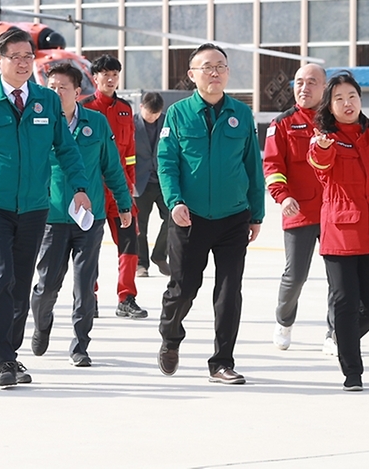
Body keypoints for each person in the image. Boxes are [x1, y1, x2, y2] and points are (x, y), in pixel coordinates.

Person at [0, 26, 90, 387]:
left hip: (34, 209)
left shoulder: (46, 101)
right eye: (17, 56)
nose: (25, 62)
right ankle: (1, 361)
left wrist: (79, 187)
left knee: (22, 283)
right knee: (1, 278)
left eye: (29, 56)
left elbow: (67, 150)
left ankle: (10, 354)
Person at [156, 43, 264, 385]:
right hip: (190, 216)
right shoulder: (177, 114)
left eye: (220, 66)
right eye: (207, 67)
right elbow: (167, 163)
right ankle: (171, 336)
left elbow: (253, 166)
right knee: (184, 287)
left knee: (229, 290)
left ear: (228, 72)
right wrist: (174, 202)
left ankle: (222, 362)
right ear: (192, 75)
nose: (214, 72)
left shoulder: (241, 114)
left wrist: (256, 213)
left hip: (233, 216)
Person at [308, 72, 369, 391]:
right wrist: (322, 147)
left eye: (351, 96)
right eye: (338, 98)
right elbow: (319, 166)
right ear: (330, 105)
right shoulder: (324, 138)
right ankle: (352, 371)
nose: (346, 103)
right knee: (346, 303)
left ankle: (342, 336)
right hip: (340, 233)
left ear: (360, 100)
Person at [30, 64, 132, 366]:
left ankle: (80, 344)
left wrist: (124, 205)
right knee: (47, 285)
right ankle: (42, 322)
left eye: (62, 87)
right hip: (51, 216)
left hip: (90, 218)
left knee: (85, 285)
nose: (56, 92)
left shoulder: (97, 123)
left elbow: (112, 167)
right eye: (51, 87)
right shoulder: (38, 122)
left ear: (78, 92)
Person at [263, 63, 337, 354]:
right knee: (295, 276)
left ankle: (334, 333)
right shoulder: (282, 123)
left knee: (339, 279)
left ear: (324, 87)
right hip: (300, 211)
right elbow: (272, 166)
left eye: (311, 82)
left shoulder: (336, 121)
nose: (304, 88)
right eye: (299, 82)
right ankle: (284, 321)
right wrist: (282, 197)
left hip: (335, 212)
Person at [81, 55, 146, 319]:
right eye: (105, 74)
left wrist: (130, 184)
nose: (110, 79)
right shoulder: (84, 107)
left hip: (120, 190)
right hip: (94, 190)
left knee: (130, 243)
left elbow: (129, 151)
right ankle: (89, 297)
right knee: (89, 246)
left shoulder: (125, 109)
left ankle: (127, 298)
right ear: (94, 78)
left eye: (115, 74)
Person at [133, 91, 170, 278]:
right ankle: (141, 264)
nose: (152, 117)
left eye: (156, 114)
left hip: (164, 181)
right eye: (149, 113)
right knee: (140, 227)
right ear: (141, 107)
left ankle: (160, 255)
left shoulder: (167, 121)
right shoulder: (132, 124)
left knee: (174, 219)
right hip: (140, 183)